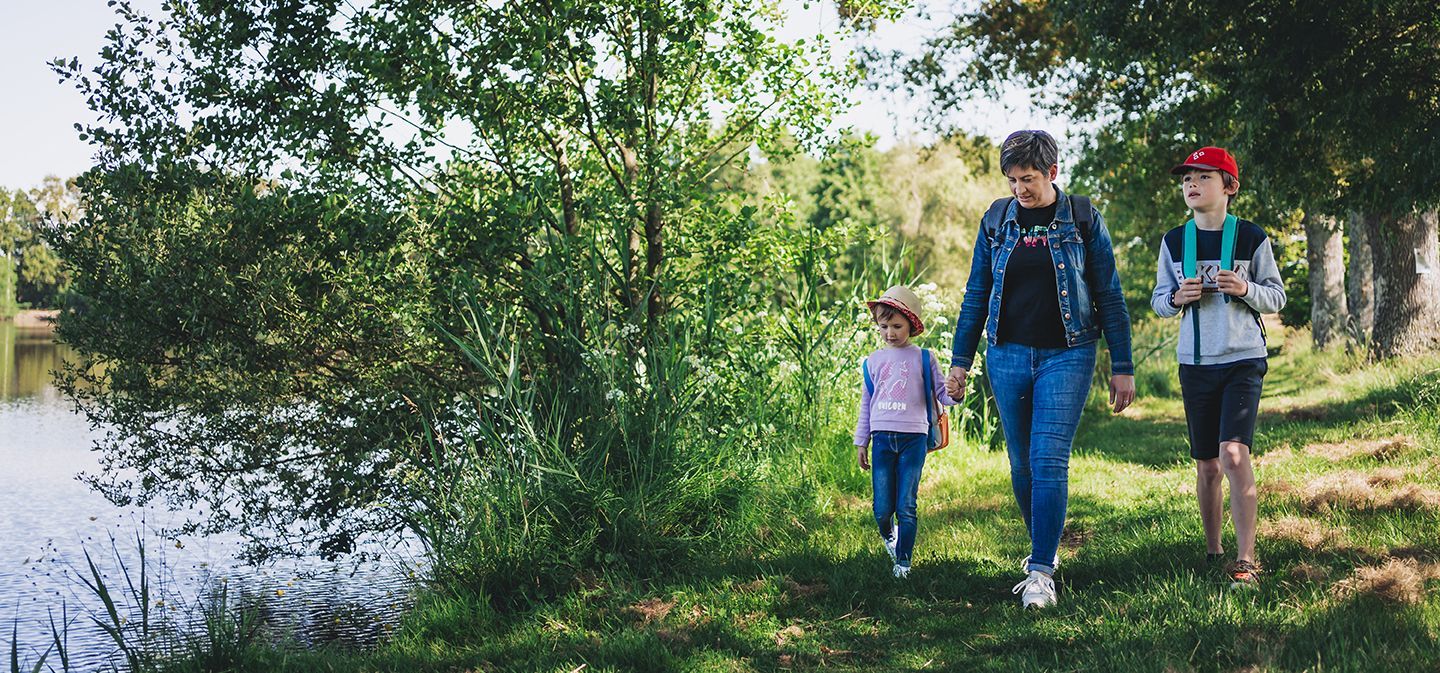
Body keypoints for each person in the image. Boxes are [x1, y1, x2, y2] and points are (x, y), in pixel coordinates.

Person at [945, 130, 1135, 609]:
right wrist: (960, 362)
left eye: (1027, 178)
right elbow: (975, 294)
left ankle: (1040, 572)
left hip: (1067, 354)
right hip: (1006, 354)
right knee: (1021, 464)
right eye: (1011, 180)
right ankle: (1044, 549)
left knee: (1049, 458)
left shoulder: (1083, 218)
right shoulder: (996, 221)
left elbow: (1109, 293)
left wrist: (1123, 364)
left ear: (1052, 172)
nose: (1019, 189)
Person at [1150, 146, 1286, 587]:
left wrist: (1245, 287)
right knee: (1207, 465)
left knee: (1233, 454)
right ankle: (1214, 552)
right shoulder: (1174, 241)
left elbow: (1276, 296)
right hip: (1195, 363)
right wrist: (1176, 299)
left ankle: (1246, 559)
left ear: (1229, 187)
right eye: (1187, 178)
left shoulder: (1251, 238)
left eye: (1203, 177)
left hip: (1243, 359)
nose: (1191, 184)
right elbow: (1159, 301)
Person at [855, 285, 957, 579]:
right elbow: (867, 404)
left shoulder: (925, 358)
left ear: (911, 325)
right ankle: (890, 537)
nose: (890, 333)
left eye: (897, 326)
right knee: (881, 509)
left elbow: (942, 395)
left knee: (906, 505)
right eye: (884, 326)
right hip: (882, 440)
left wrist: (955, 392)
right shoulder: (872, 362)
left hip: (914, 438)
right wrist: (862, 441)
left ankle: (903, 564)